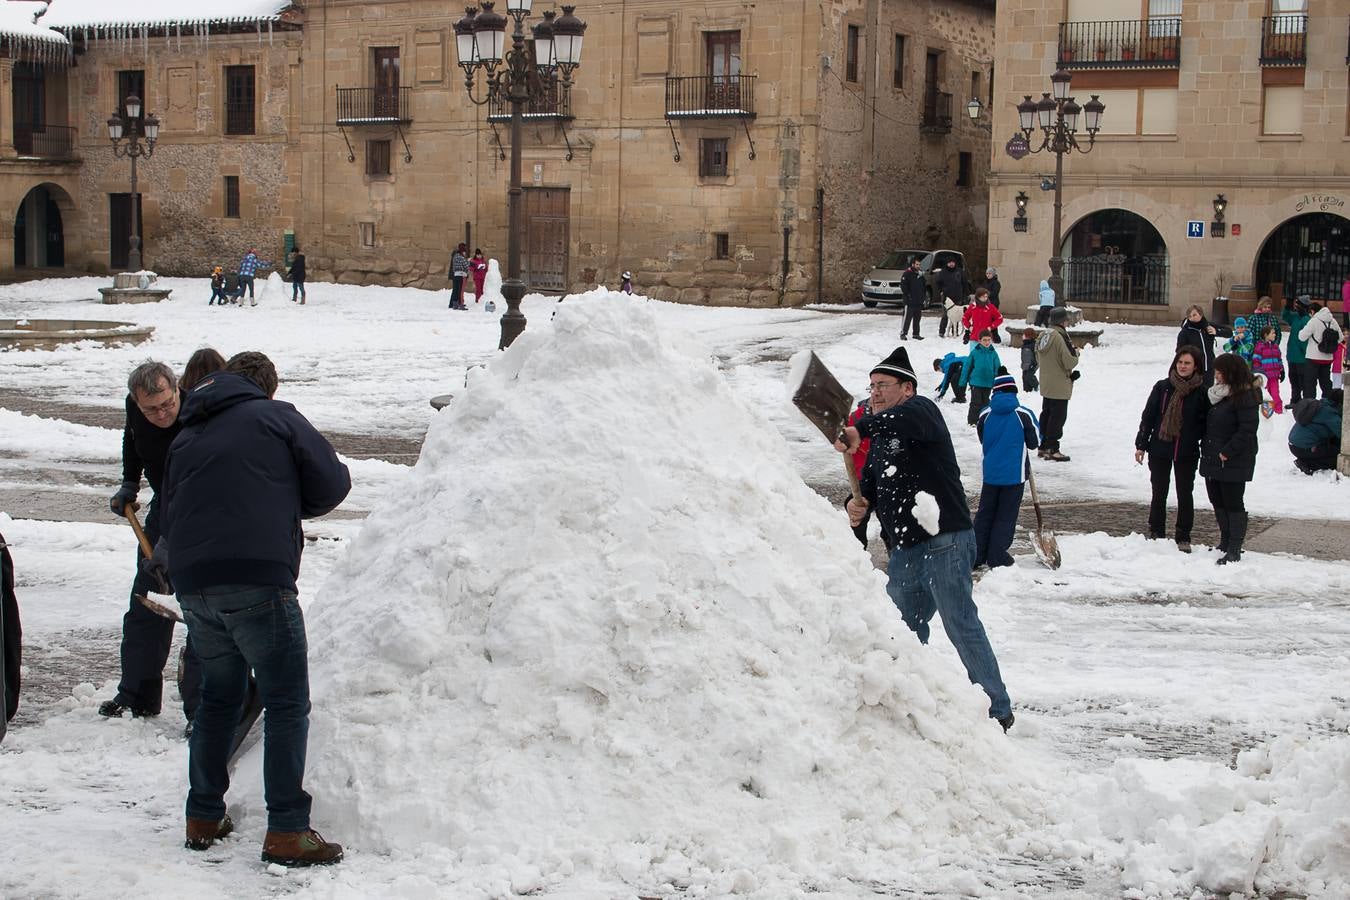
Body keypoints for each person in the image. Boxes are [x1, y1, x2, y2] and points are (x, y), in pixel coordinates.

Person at [150, 351, 351, 865]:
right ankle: (286, 828)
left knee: (219, 700)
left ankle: (202, 815)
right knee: (285, 702)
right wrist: (281, 499)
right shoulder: (274, 416)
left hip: (195, 586)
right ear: (267, 388)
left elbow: (168, 510)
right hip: (258, 580)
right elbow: (332, 484)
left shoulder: (187, 433)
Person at [836, 346, 1014, 732]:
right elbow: (866, 492)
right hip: (905, 552)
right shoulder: (882, 440)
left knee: (959, 622)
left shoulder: (923, 414)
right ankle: (904, 702)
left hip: (944, 541)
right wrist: (855, 507)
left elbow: (902, 419)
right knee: (900, 629)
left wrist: (860, 428)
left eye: (883, 385)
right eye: (871, 387)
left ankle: (997, 709)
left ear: (908, 388)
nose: (875, 393)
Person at [100, 362, 201, 725]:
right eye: (149, 409)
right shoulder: (137, 410)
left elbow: (195, 492)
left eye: (166, 405)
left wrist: (171, 544)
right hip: (164, 505)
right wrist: (130, 481)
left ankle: (202, 710)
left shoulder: (198, 418)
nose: (160, 414)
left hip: (202, 512)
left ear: (177, 390)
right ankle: (137, 695)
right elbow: (132, 437)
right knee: (147, 602)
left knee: (200, 612)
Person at [1134, 347, 1208, 553]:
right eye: (1180, 362)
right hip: (1160, 447)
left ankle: (1183, 535)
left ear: (1196, 367)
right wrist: (1141, 444)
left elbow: (1205, 424)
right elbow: (1148, 417)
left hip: (1186, 451)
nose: (1183, 366)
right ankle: (1156, 530)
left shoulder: (1201, 392)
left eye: (1188, 363)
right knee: (1159, 491)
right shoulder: (1162, 387)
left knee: (1185, 493)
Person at [1200, 353, 1261, 565]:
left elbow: (1247, 430)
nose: (1216, 375)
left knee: (1233, 502)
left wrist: (1228, 451)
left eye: (1220, 372)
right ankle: (1224, 541)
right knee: (1217, 499)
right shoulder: (1219, 394)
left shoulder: (1245, 395)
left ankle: (1235, 547)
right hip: (1214, 456)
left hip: (1233, 459)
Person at [974, 372, 1039, 569]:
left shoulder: (985, 413)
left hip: (991, 473)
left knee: (985, 514)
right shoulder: (1023, 414)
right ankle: (997, 556)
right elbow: (1035, 442)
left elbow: (982, 438)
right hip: (1014, 474)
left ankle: (976, 554)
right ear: (1013, 390)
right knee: (1005, 515)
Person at [1035, 306, 1078, 461]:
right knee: (1058, 417)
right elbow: (1069, 361)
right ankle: (1053, 448)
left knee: (1046, 414)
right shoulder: (1060, 336)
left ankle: (1043, 445)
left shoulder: (1043, 334)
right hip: (1059, 384)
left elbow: (1037, 356)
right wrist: (1077, 354)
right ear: (1062, 321)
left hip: (1046, 382)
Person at [1288, 389, 1343, 474]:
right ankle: (1307, 464)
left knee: (1332, 445)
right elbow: (1343, 435)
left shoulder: (1320, 405)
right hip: (1304, 447)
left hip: (1294, 445)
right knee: (1338, 458)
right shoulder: (1329, 413)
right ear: (1340, 403)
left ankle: (1307, 459)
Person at [1298, 301, 1341, 401]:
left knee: (1310, 384)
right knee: (1326, 383)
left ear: (1312, 311)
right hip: (1327, 358)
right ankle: (1328, 404)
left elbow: (1301, 337)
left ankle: (1309, 406)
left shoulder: (1314, 321)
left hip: (1313, 357)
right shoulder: (1332, 320)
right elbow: (1340, 337)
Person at [845, 397, 873, 548]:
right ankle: (859, 549)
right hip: (862, 479)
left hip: (881, 478)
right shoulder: (855, 418)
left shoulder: (895, 417)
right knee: (856, 513)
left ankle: (891, 545)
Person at [1176, 303, 1229, 380]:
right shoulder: (1185, 332)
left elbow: (1229, 332)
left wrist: (1216, 331)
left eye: (1194, 315)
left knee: (1208, 390)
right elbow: (1179, 351)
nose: (1192, 318)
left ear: (1201, 314)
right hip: (1195, 370)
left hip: (1210, 368)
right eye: (1189, 316)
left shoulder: (1208, 326)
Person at [960, 329, 1001, 427]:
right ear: (979, 341)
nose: (987, 342)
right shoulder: (975, 353)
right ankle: (972, 421)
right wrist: (962, 382)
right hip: (976, 382)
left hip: (988, 382)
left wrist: (998, 381)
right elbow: (967, 368)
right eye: (984, 340)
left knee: (986, 402)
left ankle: (984, 419)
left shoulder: (993, 353)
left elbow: (998, 368)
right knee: (976, 402)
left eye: (988, 340)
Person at [1282, 296, 1312, 404]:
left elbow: (1305, 341)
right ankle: (1295, 400)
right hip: (1292, 356)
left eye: (1298, 305)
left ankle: (1304, 402)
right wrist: (1287, 306)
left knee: (1302, 381)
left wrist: (1304, 352)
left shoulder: (1307, 320)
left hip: (1302, 358)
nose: (1296, 307)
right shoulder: (1295, 317)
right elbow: (1285, 316)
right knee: (1293, 380)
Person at [1250, 326, 1286, 415]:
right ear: (1266, 335)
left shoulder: (1275, 346)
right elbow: (1256, 361)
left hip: (1274, 376)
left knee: (1275, 394)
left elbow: (1279, 360)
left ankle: (1278, 412)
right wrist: (1258, 374)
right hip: (1264, 377)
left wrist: (1281, 370)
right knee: (1265, 395)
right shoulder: (1259, 347)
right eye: (1272, 333)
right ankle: (1266, 413)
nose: (1275, 334)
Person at [900, 256, 926, 340]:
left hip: (918, 301)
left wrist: (923, 298)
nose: (918, 266)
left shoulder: (920, 275)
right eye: (917, 264)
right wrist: (908, 295)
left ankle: (916, 334)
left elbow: (923, 287)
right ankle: (903, 333)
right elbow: (903, 286)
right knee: (907, 318)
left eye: (919, 264)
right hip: (909, 301)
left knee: (917, 319)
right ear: (913, 264)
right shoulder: (907, 273)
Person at [448, 243, 470, 310]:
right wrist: (468, 261)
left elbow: (453, 267)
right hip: (461, 275)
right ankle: (460, 305)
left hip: (455, 275)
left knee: (455, 290)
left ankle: (454, 304)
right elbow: (466, 266)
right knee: (460, 290)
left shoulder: (455, 257)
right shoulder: (462, 258)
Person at [1020, 327, 1039, 392]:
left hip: (1031, 365)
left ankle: (1037, 386)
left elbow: (1036, 355)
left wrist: (1034, 364)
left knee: (1029, 376)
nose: (1022, 336)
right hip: (1025, 365)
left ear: (1028, 336)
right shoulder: (1025, 344)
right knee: (1024, 378)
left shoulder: (1033, 345)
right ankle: (1027, 390)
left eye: (1024, 335)